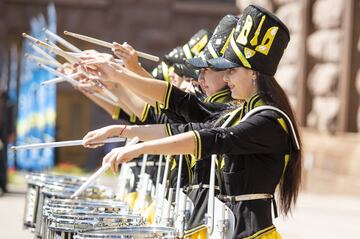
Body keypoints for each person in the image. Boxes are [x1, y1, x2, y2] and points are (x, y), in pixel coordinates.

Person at [82, 5, 302, 239]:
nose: (226, 78)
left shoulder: (270, 120)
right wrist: (122, 130)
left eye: (232, 71)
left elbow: (212, 138)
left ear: (254, 72)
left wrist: (139, 144)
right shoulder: (239, 114)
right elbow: (185, 127)